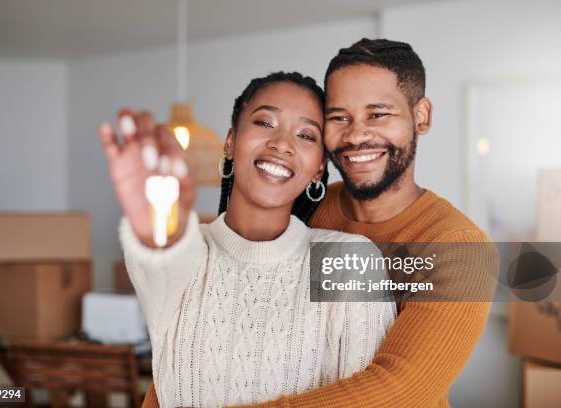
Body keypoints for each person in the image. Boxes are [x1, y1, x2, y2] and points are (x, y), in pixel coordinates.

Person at [98, 72, 396, 407]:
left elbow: (371, 400)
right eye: (265, 122)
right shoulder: (191, 252)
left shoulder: (346, 262)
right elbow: (161, 253)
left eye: (306, 135)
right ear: (230, 142)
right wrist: (153, 217)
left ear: (318, 169)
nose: (282, 143)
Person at [234, 38, 497, 408]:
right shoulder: (301, 210)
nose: (356, 135)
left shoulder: (458, 246)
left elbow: (400, 390)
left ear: (421, 116)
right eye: (339, 117)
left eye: (378, 114)